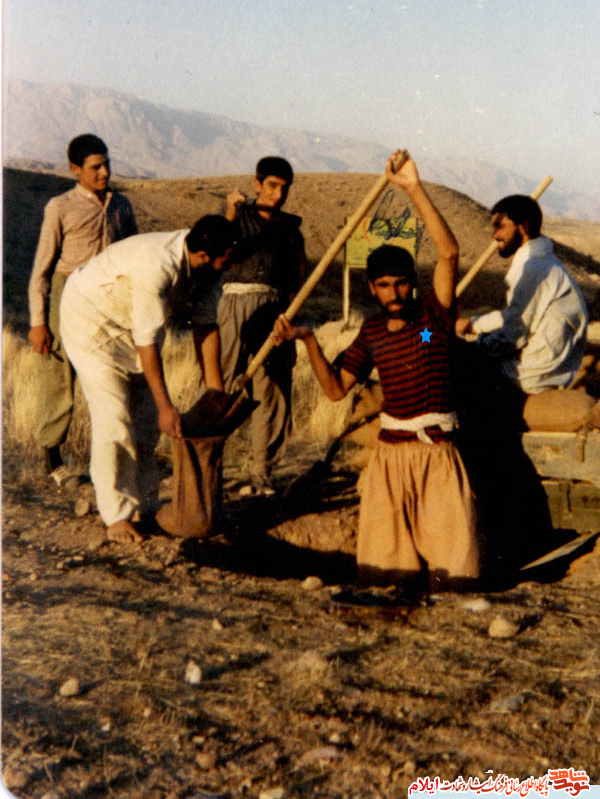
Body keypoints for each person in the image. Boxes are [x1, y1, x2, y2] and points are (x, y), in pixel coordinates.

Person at [272, 150, 480, 591]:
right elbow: (336, 390)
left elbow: (448, 253)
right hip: (388, 460)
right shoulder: (371, 334)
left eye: (401, 282)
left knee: (454, 576)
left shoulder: (433, 321)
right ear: (371, 288)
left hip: (438, 456)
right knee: (386, 577)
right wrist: (308, 340)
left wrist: (412, 189)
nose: (394, 292)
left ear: (412, 283)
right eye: (384, 285)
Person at [59, 215, 235, 544]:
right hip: (91, 321)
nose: (231, 267)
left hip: (133, 325)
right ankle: (117, 515)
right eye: (226, 261)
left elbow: (206, 326)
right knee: (114, 417)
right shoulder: (156, 265)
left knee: (146, 421)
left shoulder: (209, 271)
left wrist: (216, 393)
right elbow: (147, 343)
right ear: (202, 255)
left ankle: (146, 506)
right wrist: (166, 405)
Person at [28, 133, 138, 488]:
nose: (104, 173)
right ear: (75, 169)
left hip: (110, 298)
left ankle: (109, 458)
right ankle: (53, 459)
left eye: (107, 165)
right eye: (95, 167)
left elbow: (133, 254)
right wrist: (39, 322)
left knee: (111, 375)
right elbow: (41, 270)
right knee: (60, 377)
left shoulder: (122, 205)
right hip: (68, 293)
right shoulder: (60, 207)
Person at [220, 156, 306, 495]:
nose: (278, 194)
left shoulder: (291, 231)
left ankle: (260, 471)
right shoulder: (236, 216)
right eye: (272, 186)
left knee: (269, 388)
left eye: (284, 188)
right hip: (233, 304)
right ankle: (210, 465)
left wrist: (289, 323)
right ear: (257, 185)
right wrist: (230, 213)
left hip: (275, 309)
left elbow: (297, 281)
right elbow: (219, 252)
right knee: (223, 382)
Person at [455, 195, 589, 396]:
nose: (495, 235)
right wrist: (473, 325)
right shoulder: (542, 261)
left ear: (524, 226)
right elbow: (514, 315)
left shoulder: (533, 268)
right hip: (547, 359)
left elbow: (514, 335)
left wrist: (475, 343)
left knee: (456, 359)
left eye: (500, 227)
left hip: (533, 372)